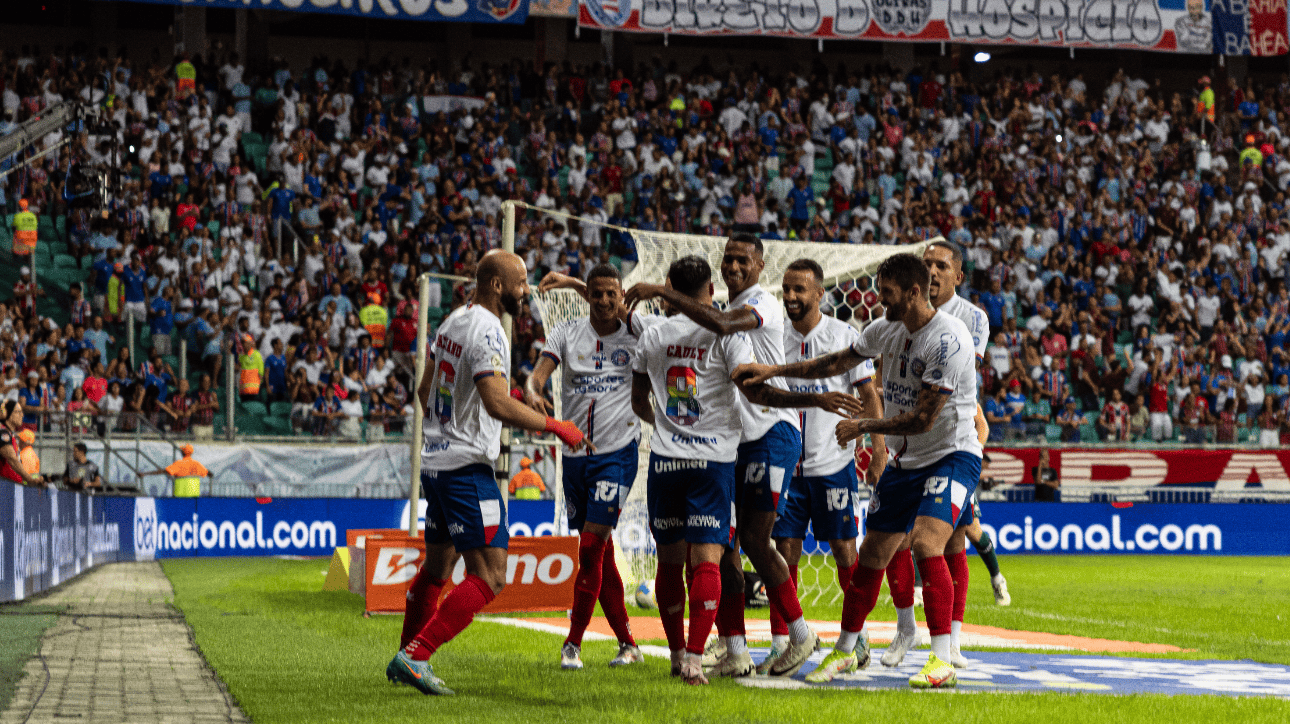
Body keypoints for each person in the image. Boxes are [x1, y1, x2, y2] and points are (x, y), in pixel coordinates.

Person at [734, 253, 981, 689]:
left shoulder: (948, 340)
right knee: (870, 556)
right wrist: (774, 369)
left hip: (953, 454)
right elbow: (834, 364)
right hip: (909, 460)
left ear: (913, 292)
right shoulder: (886, 328)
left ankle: (942, 657)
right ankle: (847, 650)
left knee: (926, 542)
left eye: (886, 293)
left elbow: (924, 419)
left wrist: (865, 427)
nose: (878, 300)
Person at [628, 255, 860, 685]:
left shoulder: (759, 306)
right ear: (712, 285)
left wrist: (814, 400)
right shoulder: (711, 319)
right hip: (731, 446)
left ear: (758, 265)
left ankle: (800, 633)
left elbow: (726, 339)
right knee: (724, 549)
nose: (734, 266)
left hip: (770, 433)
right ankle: (734, 649)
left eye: (742, 260)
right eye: (728, 259)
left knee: (752, 540)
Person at [387, 251, 592, 697]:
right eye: (520, 282)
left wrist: (454, 426)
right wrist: (559, 427)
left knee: (438, 567)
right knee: (491, 576)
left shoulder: (451, 322)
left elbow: (426, 391)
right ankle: (416, 655)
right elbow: (496, 404)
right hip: (466, 471)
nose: (526, 290)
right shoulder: (489, 330)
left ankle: (407, 654)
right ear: (496, 285)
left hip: (437, 465)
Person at [525, 264, 651, 670]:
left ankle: (572, 644)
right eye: (595, 294)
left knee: (592, 547)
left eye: (611, 294)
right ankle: (628, 643)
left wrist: (575, 283)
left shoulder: (639, 333)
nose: (603, 301)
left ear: (622, 296)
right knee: (601, 553)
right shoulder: (565, 332)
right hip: (574, 457)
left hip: (617, 454)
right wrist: (532, 392)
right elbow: (538, 377)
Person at [768, 258, 885, 675]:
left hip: (832, 464)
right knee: (783, 554)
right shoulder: (773, 335)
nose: (792, 297)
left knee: (844, 552)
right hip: (784, 464)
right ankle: (784, 642)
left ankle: (859, 637)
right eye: (787, 289)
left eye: (800, 289)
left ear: (820, 293)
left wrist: (878, 449)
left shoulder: (843, 336)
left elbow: (868, 395)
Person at [0, 401, 44, 488]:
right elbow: (12, 460)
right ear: (8, 414)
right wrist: (30, 479)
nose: (22, 415)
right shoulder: (3, 433)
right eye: (18, 412)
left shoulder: (9, 434)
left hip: (10, 487)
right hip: (5, 489)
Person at [142, 444, 209, 497]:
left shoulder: (179, 463)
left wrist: (145, 474)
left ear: (182, 452)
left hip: (180, 495)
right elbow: (208, 473)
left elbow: (164, 471)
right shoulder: (196, 464)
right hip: (194, 496)